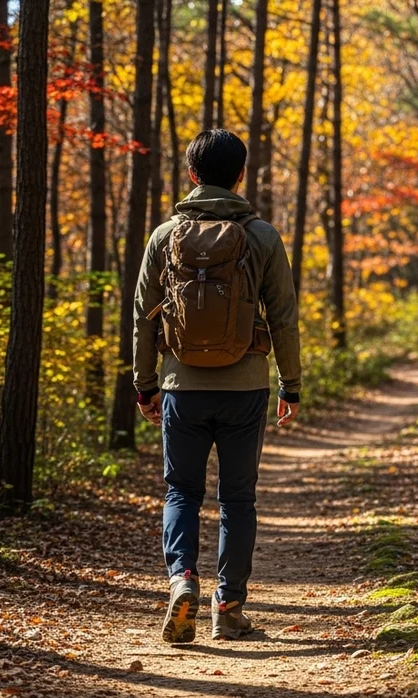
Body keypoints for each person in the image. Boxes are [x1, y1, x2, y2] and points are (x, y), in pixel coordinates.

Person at [132, 129, 302, 643]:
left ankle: (182, 579)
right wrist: (289, 386)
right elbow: (284, 319)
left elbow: (143, 316)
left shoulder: (165, 236)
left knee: (181, 489)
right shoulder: (263, 236)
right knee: (238, 499)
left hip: (181, 385)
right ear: (241, 175)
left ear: (192, 175)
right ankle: (227, 607)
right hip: (245, 387)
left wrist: (145, 385)